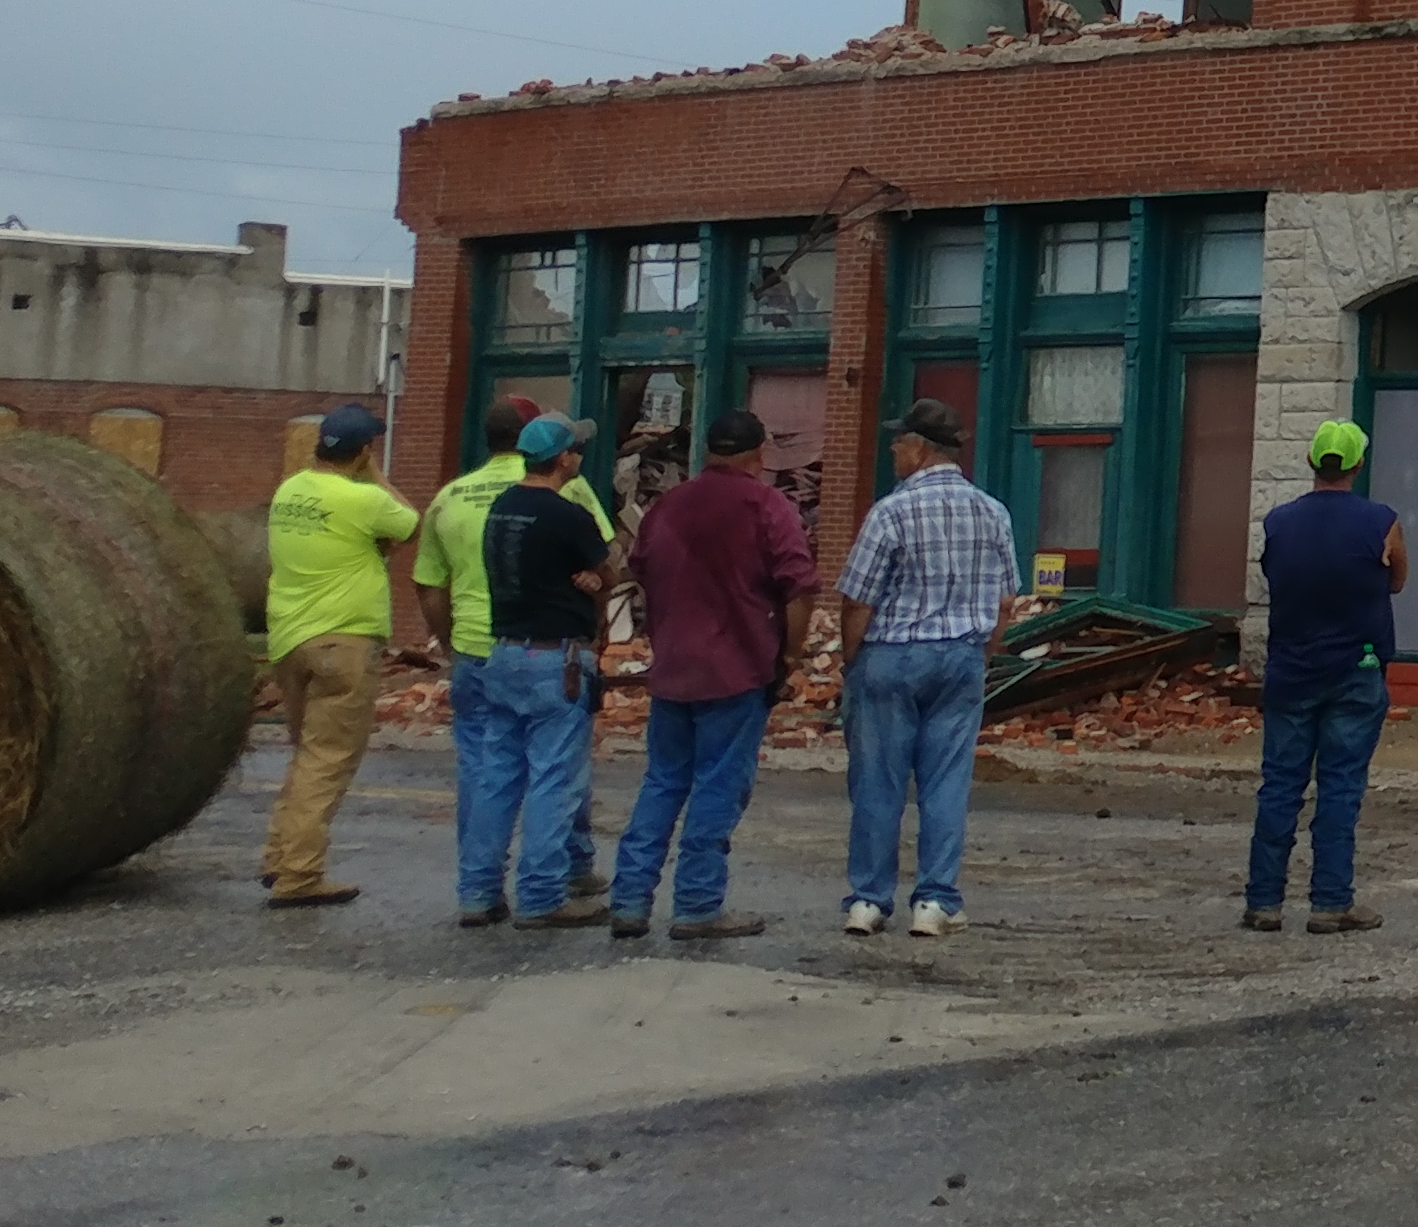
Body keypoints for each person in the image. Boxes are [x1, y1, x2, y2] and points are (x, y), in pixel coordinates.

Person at [607, 406, 821, 940]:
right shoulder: (766, 505)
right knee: (717, 786)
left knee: (661, 781)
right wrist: (790, 656)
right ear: (759, 454)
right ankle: (697, 905)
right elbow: (800, 584)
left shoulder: (668, 508)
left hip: (674, 668)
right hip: (738, 668)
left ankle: (630, 902)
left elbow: (638, 571)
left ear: (708, 451)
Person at [416, 392, 618, 915]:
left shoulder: (491, 508)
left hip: (496, 654)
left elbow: (432, 583)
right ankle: (543, 896)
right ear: (564, 460)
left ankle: (479, 892)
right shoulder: (567, 510)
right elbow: (610, 568)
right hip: (555, 659)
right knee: (554, 778)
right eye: (575, 451)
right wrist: (592, 582)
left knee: (494, 776)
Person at [836, 398, 1013, 940]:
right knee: (946, 782)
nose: (893, 449)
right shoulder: (993, 511)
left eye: (898, 442)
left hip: (892, 655)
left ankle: (868, 900)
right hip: (960, 655)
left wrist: (851, 661)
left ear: (918, 449)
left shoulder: (890, 512)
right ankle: (935, 901)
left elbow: (858, 600)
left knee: (878, 782)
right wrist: (980, 654)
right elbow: (1006, 603)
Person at [1245, 417, 1406, 937]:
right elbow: (1398, 579)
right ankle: (1331, 903)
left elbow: (1274, 575)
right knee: (1339, 787)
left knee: (1280, 785)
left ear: (1313, 462)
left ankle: (1263, 903)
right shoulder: (1381, 520)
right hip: (1355, 670)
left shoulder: (1278, 522)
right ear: (1356, 464)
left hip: (1290, 671)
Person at [256, 404, 421, 907]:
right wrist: (375, 475)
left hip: (288, 639)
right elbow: (411, 523)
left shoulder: (290, 491)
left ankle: (279, 857)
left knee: (307, 755)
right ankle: (300, 875)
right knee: (327, 760)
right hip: (343, 642)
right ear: (364, 452)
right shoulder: (363, 499)